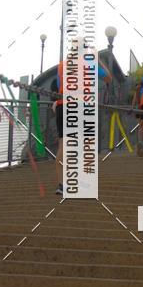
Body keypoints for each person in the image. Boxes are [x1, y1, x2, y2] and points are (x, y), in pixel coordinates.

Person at [53, 53, 109, 195]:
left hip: (63, 105)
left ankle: (61, 184)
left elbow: (59, 86)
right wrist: (99, 60)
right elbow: (108, 78)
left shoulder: (62, 65)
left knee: (63, 145)